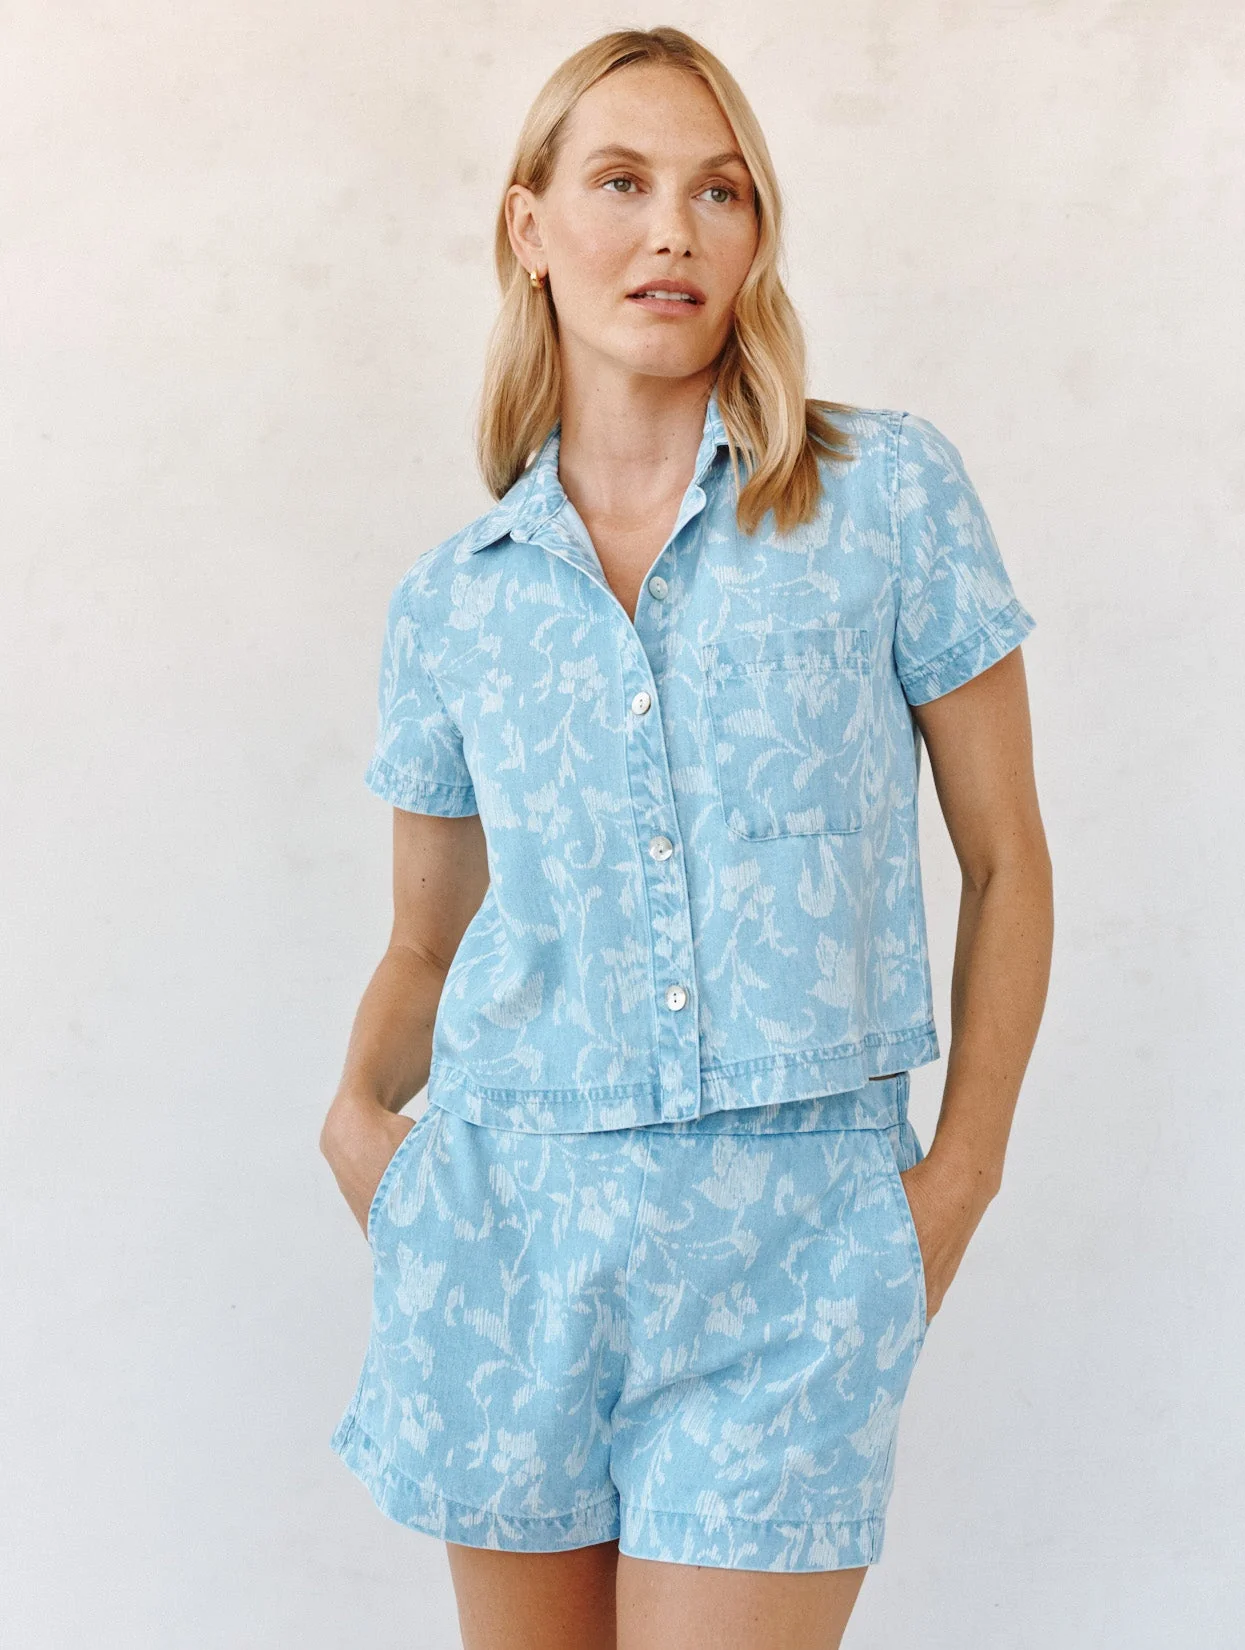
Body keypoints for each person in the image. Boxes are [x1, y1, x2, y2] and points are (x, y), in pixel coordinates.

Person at [319, 24, 1052, 1650]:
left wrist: (960, 1180)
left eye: (720, 192)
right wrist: (361, 1123)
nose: (674, 230)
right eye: (623, 183)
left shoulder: (884, 499)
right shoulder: (455, 602)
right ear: (529, 227)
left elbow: (1007, 858)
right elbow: (427, 939)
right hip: (507, 1251)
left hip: (799, 1261)